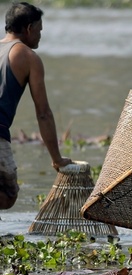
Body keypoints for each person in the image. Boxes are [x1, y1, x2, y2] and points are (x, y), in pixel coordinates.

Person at [0, 2, 71, 210]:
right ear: (29, 28)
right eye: (39, 30)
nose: (40, 36)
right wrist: (56, 158)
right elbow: (43, 114)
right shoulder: (29, 57)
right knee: (8, 194)